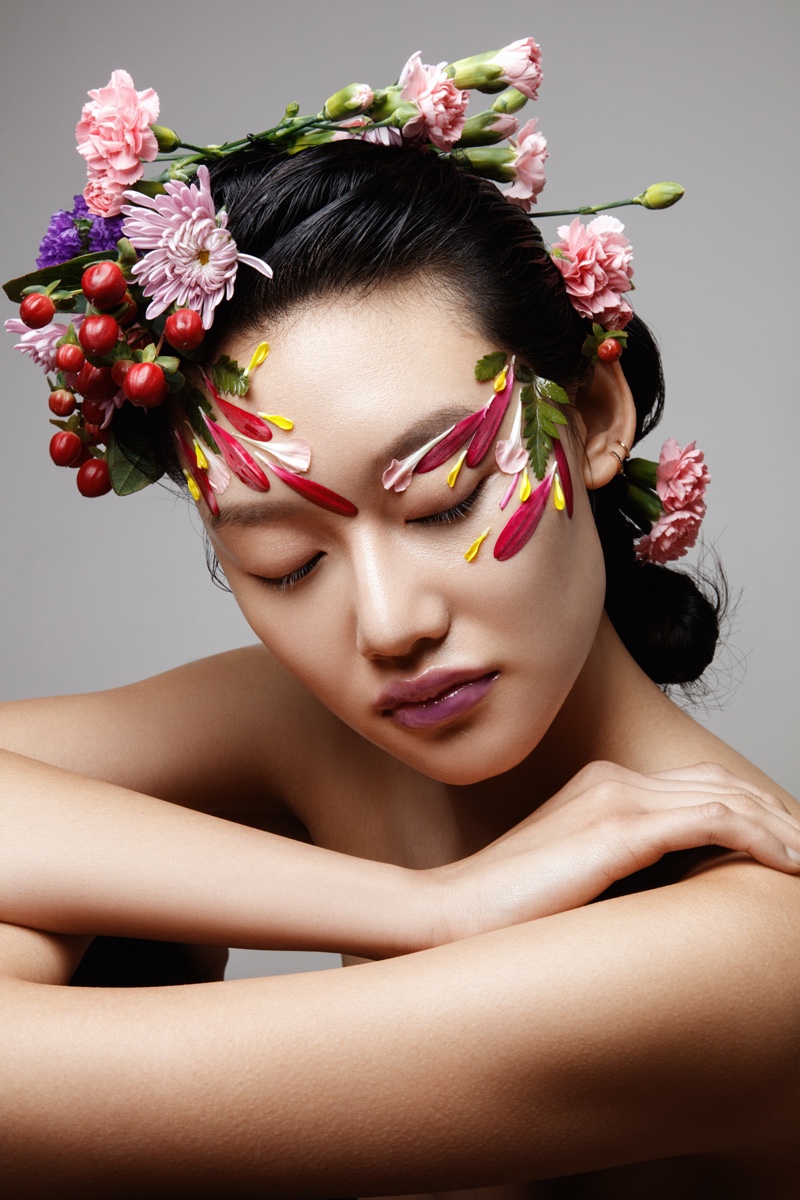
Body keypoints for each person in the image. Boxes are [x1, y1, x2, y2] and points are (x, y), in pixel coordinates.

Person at [1, 43, 799, 1199]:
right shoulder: (315, 738)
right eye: (281, 564)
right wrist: (426, 904)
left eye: (443, 496)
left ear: (591, 415)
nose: (386, 625)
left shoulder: (744, 952)